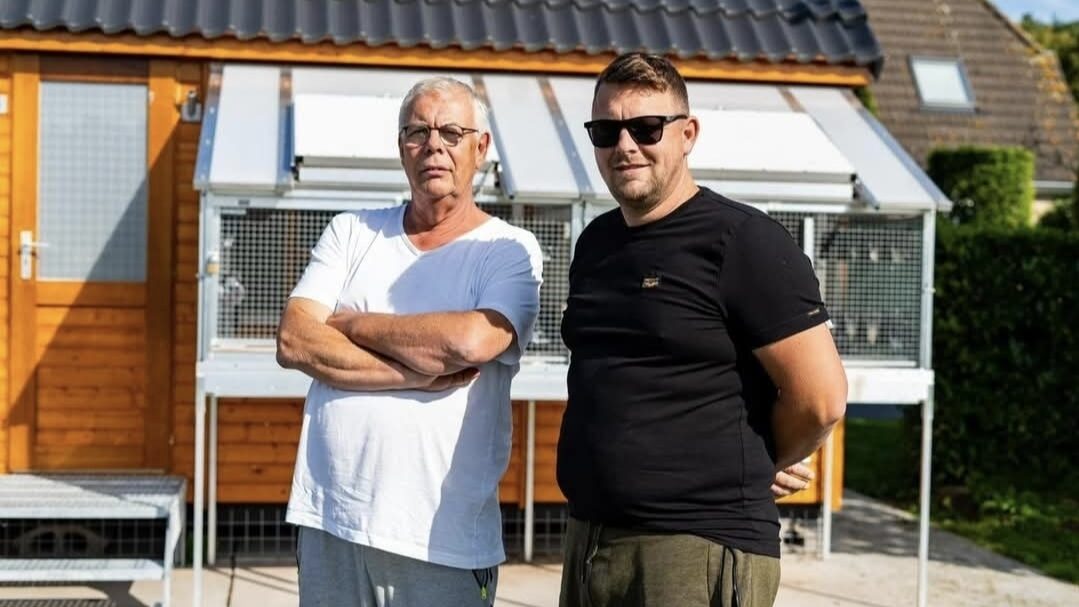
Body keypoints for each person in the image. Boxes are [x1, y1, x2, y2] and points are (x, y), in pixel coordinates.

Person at [557, 52, 848, 607]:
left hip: (696, 548)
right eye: (606, 131)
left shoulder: (743, 241)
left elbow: (821, 398)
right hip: (590, 539)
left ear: (687, 134)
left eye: (646, 128)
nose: (625, 145)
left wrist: (763, 459)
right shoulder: (596, 244)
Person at [276, 76, 542, 607]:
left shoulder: (508, 249)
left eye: (451, 132)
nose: (434, 145)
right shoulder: (352, 231)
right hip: (332, 522)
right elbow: (295, 338)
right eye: (418, 132)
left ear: (481, 148)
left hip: (440, 541)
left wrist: (352, 324)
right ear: (401, 147)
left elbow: (468, 343)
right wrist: (416, 373)